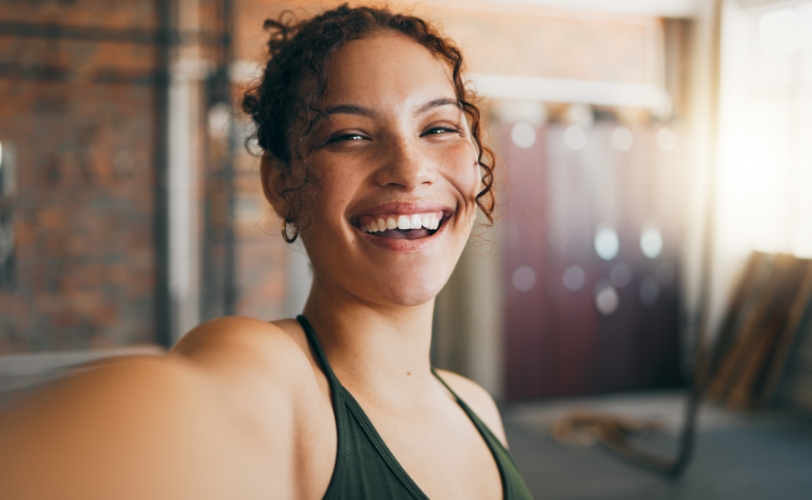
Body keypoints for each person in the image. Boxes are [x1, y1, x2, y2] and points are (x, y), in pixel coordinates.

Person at [0, 5, 532, 499]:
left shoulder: (477, 406)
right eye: (348, 136)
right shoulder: (272, 375)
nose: (410, 168)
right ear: (281, 184)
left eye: (438, 128)